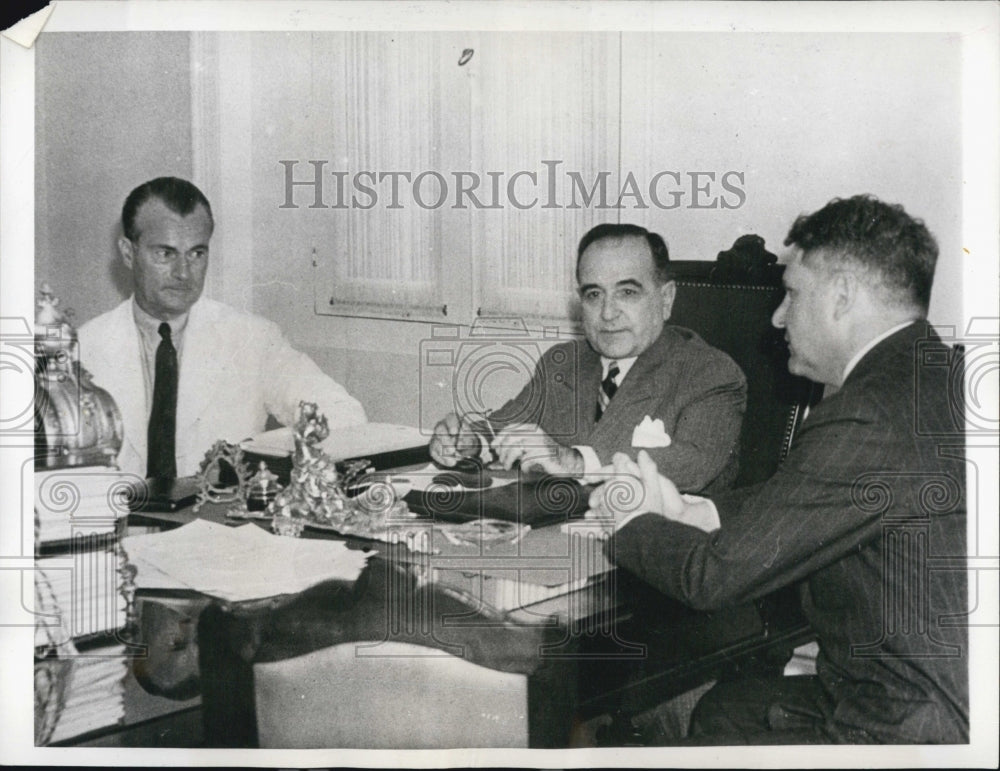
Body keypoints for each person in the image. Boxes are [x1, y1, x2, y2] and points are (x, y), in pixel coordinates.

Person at [591, 195, 967, 744]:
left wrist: (632, 521)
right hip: (923, 688)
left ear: (841, 296)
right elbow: (808, 493)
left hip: (903, 724)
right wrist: (702, 509)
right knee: (727, 710)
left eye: (791, 294)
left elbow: (712, 578)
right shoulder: (931, 375)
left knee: (722, 719)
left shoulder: (868, 414)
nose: (777, 316)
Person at [78, 176, 367, 479]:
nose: (183, 273)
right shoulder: (83, 349)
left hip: (218, 522)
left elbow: (343, 414)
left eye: (196, 253)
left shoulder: (253, 339)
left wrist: (261, 461)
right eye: (165, 253)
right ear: (128, 253)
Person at [430, 223, 747, 494]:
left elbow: (692, 463)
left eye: (627, 293)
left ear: (665, 299)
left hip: (652, 552)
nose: (608, 313)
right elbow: (503, 425)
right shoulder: (564, 362)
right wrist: (470, 440)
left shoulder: (709, 372)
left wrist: (574, 462)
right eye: (594, 294)